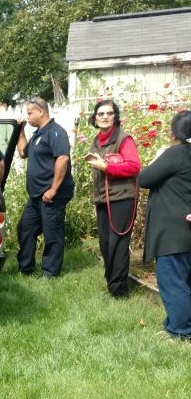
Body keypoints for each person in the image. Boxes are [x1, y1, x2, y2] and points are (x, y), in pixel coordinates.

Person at [137, 109, 191, 340]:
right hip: (184, 231)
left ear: (173, 132)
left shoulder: (175, 153)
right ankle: (173, 325)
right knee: (184, 281)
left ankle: (181, 332)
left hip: (172, 233)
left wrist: (159, 156)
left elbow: (144, 179)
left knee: (173, 282)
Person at [84, 100, 141, 298]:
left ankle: (119, 292)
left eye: (109, 113)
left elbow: (134, 166)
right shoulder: (96, 140)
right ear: (95, 118)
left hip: (122, 199)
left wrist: (106, 167)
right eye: (101, 114)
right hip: (103, 200)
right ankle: (112, 285)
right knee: (106, 244)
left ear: (115, 116)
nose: (105, 117)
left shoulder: (124, 139)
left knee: (118, 244)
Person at [16, 96, 75, 278]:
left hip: (51, 195)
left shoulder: (56, 132)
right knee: (25, 228)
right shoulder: (38, 135)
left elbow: (63, 158)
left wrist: (53, 190)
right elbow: (22, 152)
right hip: (35, 196)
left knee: (52, 234)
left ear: (41, 111)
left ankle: (50, 273)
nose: (28, 117)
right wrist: (20, 131)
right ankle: (26, 268)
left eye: (30, 113)